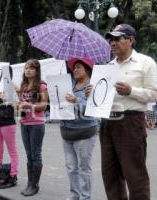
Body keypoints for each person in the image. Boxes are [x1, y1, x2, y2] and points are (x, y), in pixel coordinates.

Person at [89, 24, 157, 200]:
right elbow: (103, 97)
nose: (112, 43)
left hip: (131, 121)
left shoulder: (145, 62)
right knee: (110, 174)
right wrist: (93, 93)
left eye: (118, 39)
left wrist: (131, 91)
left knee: (134, 173)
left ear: (131, 40)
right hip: (107, 123)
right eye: (111, 39)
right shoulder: (107, 66)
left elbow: (155, 94)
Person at [60, 58, 98, 200]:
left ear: (87, 69)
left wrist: (76, 101)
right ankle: (75, 195)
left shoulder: (92, 87)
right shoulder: (69, 85)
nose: (74, 70)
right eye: (74, 67)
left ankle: (85, 197)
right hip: (66, 132)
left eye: (78, 67)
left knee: (84, 168)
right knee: (71, 168)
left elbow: (93, 110)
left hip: (85, 133)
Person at [18, 59, 48, 196]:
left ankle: (34, 185)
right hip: (24, 123)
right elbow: (20, 103)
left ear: (36, 71)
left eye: (31, 68)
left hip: (36, 124)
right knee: (29, 155)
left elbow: (44, 106)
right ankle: (30, 183)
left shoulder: (42, 86)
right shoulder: (23, 86)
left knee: (36, 155)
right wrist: (18, 105)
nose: (28, 70)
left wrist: (29, 105)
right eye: (26, 68)